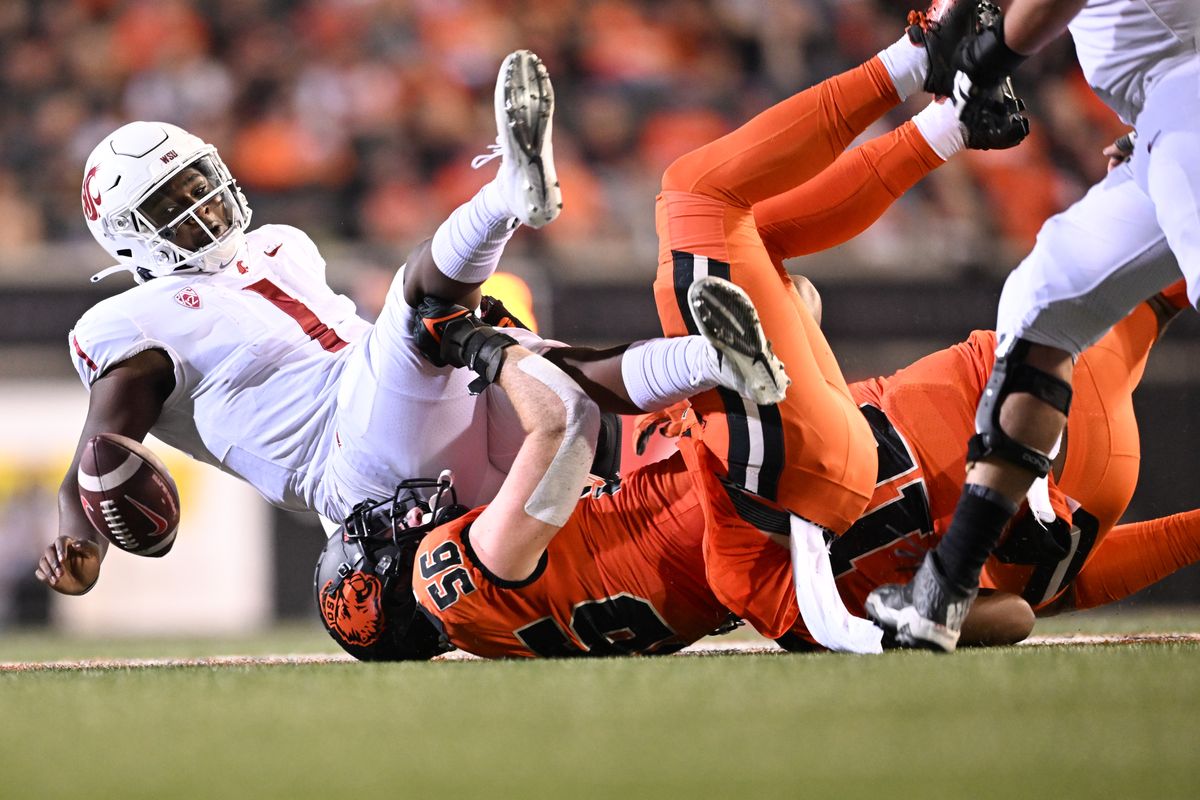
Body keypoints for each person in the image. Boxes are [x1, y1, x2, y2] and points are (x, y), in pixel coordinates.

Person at [314, 7, 1035, 661]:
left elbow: (1020, 615)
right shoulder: (446, 581)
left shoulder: (503, 628)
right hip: (742, 493)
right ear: (379, 587)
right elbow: (563, 423)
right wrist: (486, 347)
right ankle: (917, 62)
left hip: (775, 557)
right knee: (697, 191)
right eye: (376, 535)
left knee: (774, 270)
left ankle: (954, 122)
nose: (397, 516)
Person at [35, 51, 778, 597]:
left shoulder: (280, 244)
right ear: (130, 239)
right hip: (353, 472)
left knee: (545, 374)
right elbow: (97, 453)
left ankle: (716, 360)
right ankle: (507, 196)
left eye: (197, 182)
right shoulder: (132, 322)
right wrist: (79, 539)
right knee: (423, 310)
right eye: (171, 203)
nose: (200, 205)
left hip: (418, 427)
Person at [866, 0, 1200, 652]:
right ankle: (946, 587)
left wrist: (988, 57)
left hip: (1187, 98)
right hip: (1166, 114)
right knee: (1039, 301)